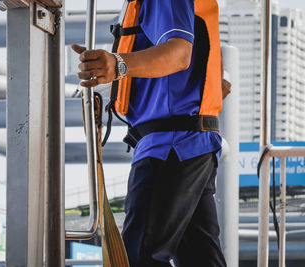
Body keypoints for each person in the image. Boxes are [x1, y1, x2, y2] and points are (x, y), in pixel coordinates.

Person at [72, 0, 227, 266]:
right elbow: (214, 81)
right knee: (200, 260)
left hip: (171, 146)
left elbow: (179, 54)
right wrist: (109, 69)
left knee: (139, 257)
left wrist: (117, 64)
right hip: (191, 143)